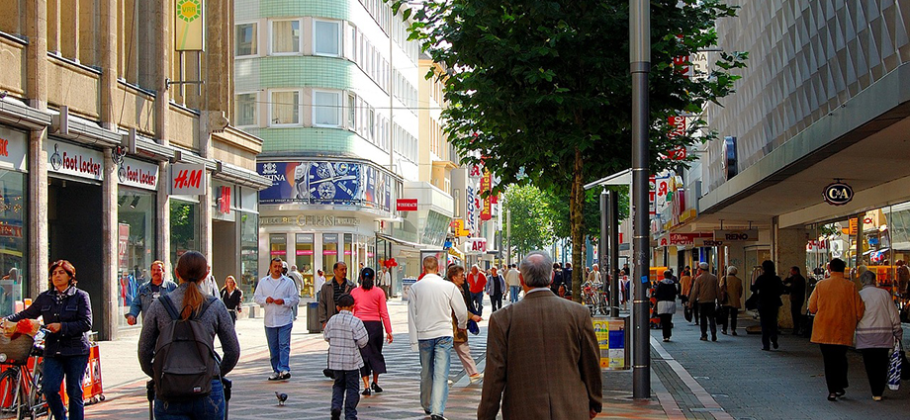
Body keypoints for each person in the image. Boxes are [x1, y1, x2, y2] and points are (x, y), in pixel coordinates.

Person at [478, 251, 602, 420]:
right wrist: (595, 401)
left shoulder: (503, 318)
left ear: (521, 279)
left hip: (522, 409)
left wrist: (486, 415)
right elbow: (591, 362)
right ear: (551, 277)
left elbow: (495, 375)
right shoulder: (578, 313)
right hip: (571, 407)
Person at [138, 251, 239, 420]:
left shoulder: (159, 306)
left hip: (169, 390)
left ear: (177, 273)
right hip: (208, 389)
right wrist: (214, 373)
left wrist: (159, 375)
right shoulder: (215, 306)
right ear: (206, 274)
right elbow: (232, 351)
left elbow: (144, 351)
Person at [7, 260, 92, 420]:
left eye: (61, 273)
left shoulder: (81, 296)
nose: (57, 276)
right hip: (53, 350)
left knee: (74, 391)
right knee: (49, 388)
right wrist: (6, 320)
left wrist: (62, 326)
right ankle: (61, 417)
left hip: (76, 350)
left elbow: (86, 323)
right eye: (54, 273)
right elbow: (26, 314)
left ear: (70, 276)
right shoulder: (45, 298)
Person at [407, 256, 467, 420]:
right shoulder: (448, 287)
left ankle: (427, 403)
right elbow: (461, 311)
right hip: (444, 334)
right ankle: (437, 410)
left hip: (424, 334)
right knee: (441, 373)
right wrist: (462, 325)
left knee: (426, 371)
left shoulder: (415, 288)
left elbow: (411, 314)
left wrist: (413, 340)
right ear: (438, 267)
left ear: (423, 267)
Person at [808, 258, 865, 401]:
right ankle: (840, 385)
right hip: (843, 328)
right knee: (840, 358)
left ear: (829, 269)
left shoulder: (821, 285)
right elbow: (859, 310)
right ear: (844, 269)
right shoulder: (850, 286)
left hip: (824, 329)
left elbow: (812, 307)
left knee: (829, 361)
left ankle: (832, 390)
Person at [855, 270, 901, 401]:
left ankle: (875, 391)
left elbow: (854, 316)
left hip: (865, 336)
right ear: (875, 281)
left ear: (862, 282)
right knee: (882, 363)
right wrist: (897, 331)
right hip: (883, 335)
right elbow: (894, 314)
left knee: (870, 364)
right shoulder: (884, 294)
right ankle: (879, 390)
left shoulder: (859, 295)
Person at [253, 257, 300, 380]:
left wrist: (284, 301)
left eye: (280, 267)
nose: (277, 269)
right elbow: (257, 298)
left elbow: (295, 299)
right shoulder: (263, 282)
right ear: (270, 267)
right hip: (270, 320)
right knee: (273, 347)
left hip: (284, 319)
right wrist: (265, 300)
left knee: (284, 344)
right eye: (275, 266)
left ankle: (284, 368)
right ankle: (275, 369)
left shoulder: (288, 282)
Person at [324, 294, 369, 420]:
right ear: (352, 307)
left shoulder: (332, 320)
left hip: (336, 361)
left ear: (338, 307)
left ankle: (336, 406)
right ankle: (350, 413)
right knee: (352, 388)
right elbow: (363, 341)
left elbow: (326, 336)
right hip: (352, 361)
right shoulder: (356, 322)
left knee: (338, 385)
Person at [350, 267, 392, 396]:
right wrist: (389, 331)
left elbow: (352, 312)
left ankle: (366, 385)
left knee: (363, 357)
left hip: (359, 325)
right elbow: (384, 313)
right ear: (374, 278)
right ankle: (376, 382)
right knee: (375, 353)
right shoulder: (379, 292)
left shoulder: (354, 292)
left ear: (361, 278)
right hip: (375, 327)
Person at [446, 265, 484, 383]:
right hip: (452, 325)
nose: (464, 278)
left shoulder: (460, 288)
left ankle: (473, 373)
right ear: (453, 277)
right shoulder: (452, 290)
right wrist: (472, 317)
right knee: (445, 352)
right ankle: (441, 377)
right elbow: (460, 310)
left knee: (462, 349)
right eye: (461, 275)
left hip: (456, 325)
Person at [126, 260, 177, 325]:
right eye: (153, 270)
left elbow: (179, 304)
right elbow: (136, 304)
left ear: (163, 271)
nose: (156, 272)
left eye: (158, 270)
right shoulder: (143, 288)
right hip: (149, 326)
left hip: (167, 327)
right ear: (151, 271)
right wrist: (132, 315)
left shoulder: (172, 287)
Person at [751, 260, 784, 350]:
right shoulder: (776, 279)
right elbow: (781, 290)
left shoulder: (761, 278)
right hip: (774, 303)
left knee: (764, 323)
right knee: (773, 321)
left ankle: (766, 344)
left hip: (763, 303)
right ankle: (774, 337)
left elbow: (754, 289)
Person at [688, 262, 720, 341]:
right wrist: (720, 300)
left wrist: (691, 302)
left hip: (702, 301)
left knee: (703, 319)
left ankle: (704, 335)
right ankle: (713, 333)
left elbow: (695, 291)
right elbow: (717, 290)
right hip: (711, 301)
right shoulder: (714, 278)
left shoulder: (699, 279)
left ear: (700, 269)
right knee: (711, 317)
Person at [318, 262, 356, 327]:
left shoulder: (351, 286)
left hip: (347, 321)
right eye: (342, 269)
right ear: (335, 271)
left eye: (345, 269)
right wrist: (323, 321)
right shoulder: (326, 286)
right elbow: (322, 304)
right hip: (331, 320)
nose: (344, 271)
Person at [655, 270, 678, 342]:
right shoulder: (672, 284)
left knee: (663, 320)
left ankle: (665, 336)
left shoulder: (661, 283)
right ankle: (668, 334)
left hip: (662, 303)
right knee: (668, 319)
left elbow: (656, 293)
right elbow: (676, 292)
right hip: (671, 302)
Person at [783, 266, 807, 335]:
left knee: (796, 314)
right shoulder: (796, 278)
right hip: (796, 298)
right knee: (796, 313)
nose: (790, 273)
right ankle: (797, 328)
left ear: (795, 271)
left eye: (791, 271)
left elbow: (792, 288)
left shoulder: (798, 279)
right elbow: (788, 280)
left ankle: (797, 328)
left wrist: (784, 287)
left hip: (797, 299)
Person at [720, 266, 743, 336]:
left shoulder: (724, 279)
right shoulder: (739, 280)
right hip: (735, 301)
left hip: (726, 300)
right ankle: (733, 329)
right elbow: (740, 291)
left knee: (725, 316)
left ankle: (724, 329)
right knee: (734, 316)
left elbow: (720, 288)